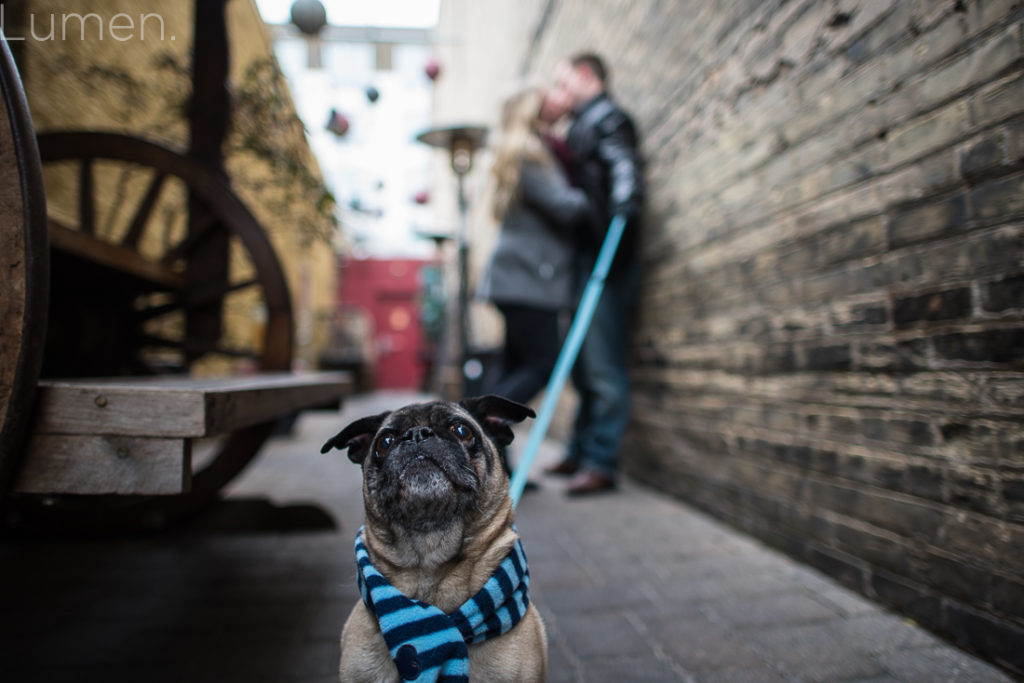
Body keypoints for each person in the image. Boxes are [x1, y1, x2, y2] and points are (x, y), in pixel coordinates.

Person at [546, 53, 644, 496]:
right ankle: (582, 448)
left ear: (586, 75)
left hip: (609, 255)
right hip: (587, 255)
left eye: (564, 81)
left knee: (602, 365)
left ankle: (601, 462)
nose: (561, 91)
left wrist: (626, 200)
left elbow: (623, 164)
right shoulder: (581, 123)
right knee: (584, 366)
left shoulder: (606, 117)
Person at [478, 85, 594, 460]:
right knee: (543, 363)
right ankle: (480, 426)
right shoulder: (529, 153)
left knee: (511, 367)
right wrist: (590, 193)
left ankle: (494, 461)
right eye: (545, 101)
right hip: (528, 280)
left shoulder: (524, 151)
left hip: (520, 279)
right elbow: (563, 206)